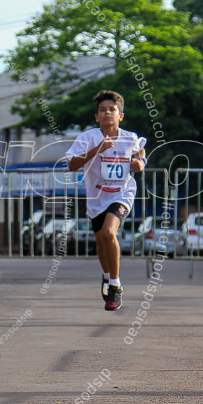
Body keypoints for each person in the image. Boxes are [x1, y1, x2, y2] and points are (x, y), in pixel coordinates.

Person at [66, 91, 146, 311]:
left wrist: (140, 164)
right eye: (103, 110)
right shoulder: (88, 138)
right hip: (97, 196)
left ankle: (115, 285)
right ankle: (107, 275)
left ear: (121, 115)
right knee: (101, 239)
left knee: (109, 232)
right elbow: (72, 165)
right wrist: (98, 149)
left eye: (112, 109)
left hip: (122, 193)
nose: (107, 113)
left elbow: (140, 154)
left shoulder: (130, 137)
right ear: (96, 116)